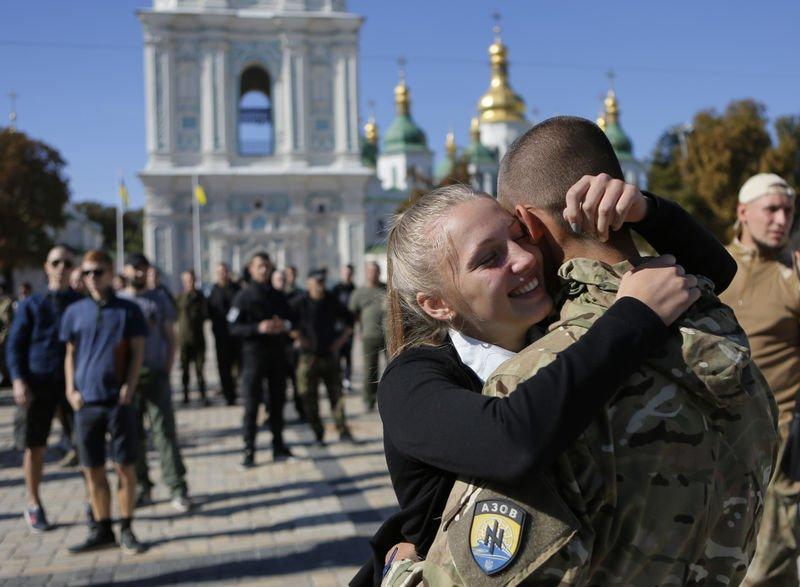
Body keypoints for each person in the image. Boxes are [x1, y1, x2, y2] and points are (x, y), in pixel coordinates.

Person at [396, 119, 778, 585]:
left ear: (532, 223)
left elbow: (717, 269)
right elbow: (511, 439)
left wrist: (646, 210)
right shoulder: (718, 332)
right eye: (489, 257)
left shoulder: (540, 356)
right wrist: (634, 314)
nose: (521, 258)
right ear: (435, 304)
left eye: (518, 236)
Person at [717, 173, 800, 586]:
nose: (781, 219)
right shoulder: (712, 264)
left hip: (779, 443)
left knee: (768, 567)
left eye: (787, 210)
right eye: (772, 209)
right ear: (742, 212)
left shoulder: (794, 274)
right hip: (715, 439)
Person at [61, 249, 148, 554]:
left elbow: (138, 352)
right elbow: (70, 354)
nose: (92, 278)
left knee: (124, 467)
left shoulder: (128, 310)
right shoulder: (74, 312)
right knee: (92, 468)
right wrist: (71, 390)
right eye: (86, 273)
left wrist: (130, 386)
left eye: (98, 272)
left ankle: (126, 526)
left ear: (111, 273)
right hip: (86, 403)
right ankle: (102, 528)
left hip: (117, 401)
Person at [6, 246, 81, 532]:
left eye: (67, 263)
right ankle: (34, 503)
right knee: (35, 447)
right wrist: (18, 379)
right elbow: (15, 345)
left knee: (84, 446)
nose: (61, 267)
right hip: (38, 383)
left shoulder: (79, 303)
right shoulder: (32, 304)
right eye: (56, 262)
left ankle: (92, 504)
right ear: (47, 267)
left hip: (72, 385)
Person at [120, 254, 192, 513]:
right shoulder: (119, 302)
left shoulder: (158, 300)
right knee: (134, 435)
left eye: (143, 269)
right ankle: (142, 486)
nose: (138, 273)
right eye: (134, 268)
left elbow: (170, 337)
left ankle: (177, 487)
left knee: (165, 434)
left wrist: (167, 367)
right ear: (125, 270)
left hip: (155, 374)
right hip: (128, 379)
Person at [228, 252, 294, 467]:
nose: (263, 270)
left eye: (267, 266)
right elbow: (232, 327)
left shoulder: (278, 296)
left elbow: (292, 321)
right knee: (251, 405)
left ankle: (278, 445)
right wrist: (257, 328)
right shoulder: (243, 296)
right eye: (259, 266)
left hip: (276, 356)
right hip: (253, 357)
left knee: (277, 402)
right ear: (251, 269)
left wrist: (283, 326)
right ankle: (249, 449)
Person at [291, 270, 354, 444]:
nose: (320, 285)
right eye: (316, 282)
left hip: (329, 356)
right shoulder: (300, 302)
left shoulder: (331, 300)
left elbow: (350, 321)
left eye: (322, 282)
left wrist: (340, 341)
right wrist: (297, 337)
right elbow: (288, 322)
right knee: (308, 398)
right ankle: (318, 432)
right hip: (308, 359)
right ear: (308, 283)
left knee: (337, 396)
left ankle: (342, 430)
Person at [348, 262, 386, 410]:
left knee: (392, 368)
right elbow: (353, 313)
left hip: (388, 336)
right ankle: (368, 399)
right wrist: (359, 328)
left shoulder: (386, 289)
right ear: (366, 273)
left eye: (376, 271)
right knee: (370, 369)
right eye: (370, 271)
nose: (373, 274)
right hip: (369, 335)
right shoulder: (359, 293)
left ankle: (390, 398)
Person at [209, 263, 241, 406]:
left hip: (236, 335)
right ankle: (229, 394)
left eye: (224, 271)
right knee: (224, 366)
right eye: (219, 272)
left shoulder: (236, 289)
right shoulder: (214, 291)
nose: (222, 274)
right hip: (221, 335)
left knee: (239, 365)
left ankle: (238, 388)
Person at [176, 269, 208, 406]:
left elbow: (206, 313)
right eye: (186, 280)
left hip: (198, 337)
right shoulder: (179, 298)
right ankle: (185, 395)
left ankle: (202, 394)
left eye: (191, 280)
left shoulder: (200, 297)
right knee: (185, 369)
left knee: (200, 369)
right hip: (184, 339)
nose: (189, 283)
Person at [332, 264, 356, 391]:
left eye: (349, 273)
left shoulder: (354, 288)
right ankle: (338, 379)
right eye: (345, 273)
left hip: (349, 327)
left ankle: (347, 380)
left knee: (348, 354)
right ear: (341, 273)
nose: (347, 275)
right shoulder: (336, 289)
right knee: (338, 354)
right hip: (337, 328)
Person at [0, 282, 13, 387]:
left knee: (5, 357)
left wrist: (3, 335)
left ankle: (8, 377)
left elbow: (8, 322)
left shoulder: (7, 302)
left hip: (6, 335)